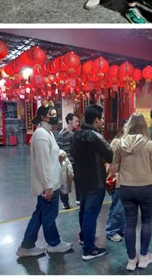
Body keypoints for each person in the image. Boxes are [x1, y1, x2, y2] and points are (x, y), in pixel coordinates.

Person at [16, 105, 73, 257]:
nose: (55, 117)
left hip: (51, 182)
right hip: (48, 185)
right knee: (48, 215)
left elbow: (51, 152)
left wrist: (60, 153)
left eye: (56, 114)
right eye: (52, 114)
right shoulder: (41, 135)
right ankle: (54, 243)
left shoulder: (48, 133)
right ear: (43, 117)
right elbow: (43, 164)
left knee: (41, 214)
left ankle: (27, 245)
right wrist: (48, 187)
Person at [113, 113, 152, 271]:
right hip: (146, 187)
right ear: (143, 126)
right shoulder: (149, 144)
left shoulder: (120, 144)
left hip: (126, 188)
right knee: (146, 221)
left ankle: (131, 260)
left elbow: (115, 167)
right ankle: (144, 257)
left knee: (130, 224)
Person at [70, 105, 113, 261]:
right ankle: (89, 249)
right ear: (96, 120)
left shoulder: (76, 135)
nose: (103, 121)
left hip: (81, 181)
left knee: (84, 211)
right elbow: (109, 155)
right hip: (95, 181)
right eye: (101, 118)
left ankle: (84, 238)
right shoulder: (94, 136)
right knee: (91, 215)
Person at [105, 119, 128, 242]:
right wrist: (113, 177)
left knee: (123, 206)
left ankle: (120, 228)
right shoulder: (116, 142)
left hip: (127, 180)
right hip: (117, 179)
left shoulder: (129, 142)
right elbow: (112, 163)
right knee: (117, 206)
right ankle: (111, 230)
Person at [56, 112, 80, 209]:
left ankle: (79, 199)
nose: (78, 123)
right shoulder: (62, 134)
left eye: (78, 121)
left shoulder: (76, 133)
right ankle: (65, 202)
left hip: (77, 162)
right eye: (76, 121)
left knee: (79, 182)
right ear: (69, 121)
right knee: (65, 184)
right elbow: (58, 149)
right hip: (66, 163)